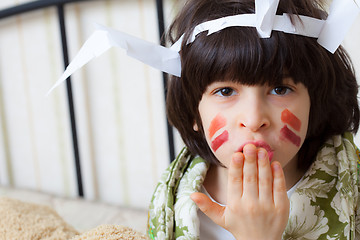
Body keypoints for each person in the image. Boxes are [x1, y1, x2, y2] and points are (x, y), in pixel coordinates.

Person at [147, 0, 360, 239]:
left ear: (315, 100)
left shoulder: (354, 189)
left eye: (280, 89)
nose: (254, 119)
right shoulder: (169, 200)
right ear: (193, 111)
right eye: (226, 91)